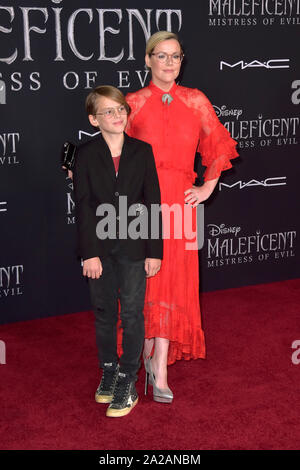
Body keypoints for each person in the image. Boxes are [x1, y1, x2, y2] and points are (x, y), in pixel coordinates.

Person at [123, 31, 239, 402]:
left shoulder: (195, 101)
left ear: (181, 61)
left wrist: (208, 186)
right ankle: (142, 350)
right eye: (161, 56)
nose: (169, 63)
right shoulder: (134, 103)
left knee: (175, 281)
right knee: (146, 279)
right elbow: (114, 153)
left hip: (182, 204)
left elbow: (218, 144)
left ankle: (159, 367)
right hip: (143, 205)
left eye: (175, 56)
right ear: (147, 60)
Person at [73, 85, 163, 417]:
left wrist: (155, 251)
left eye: (121, 109)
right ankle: (109, 370)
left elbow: (152, 201)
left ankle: (128, 377)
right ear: (94, 120)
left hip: (136, 245)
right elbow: (82, 206)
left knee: (132, 313)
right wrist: (89, 253)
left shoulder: (142, 151)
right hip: (99, 247)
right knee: (103, 311)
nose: (117, 115)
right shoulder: (85, 154)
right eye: (108, 111)